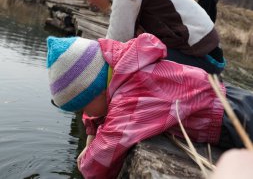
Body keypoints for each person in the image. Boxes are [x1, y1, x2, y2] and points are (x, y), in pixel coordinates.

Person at [47, 33, 253, 179]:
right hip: (232, 100)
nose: (83, 113)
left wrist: (84, 162)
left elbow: (102, 158)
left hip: (232, 120)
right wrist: (91, 133)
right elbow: (95, 107)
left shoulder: (130, 98)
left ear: (96, 91)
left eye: (82, 107)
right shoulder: (123, 66)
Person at [69, 0, 225, 74]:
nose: (88, 2)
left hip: (204, 58)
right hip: (193, 53)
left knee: (130, 60)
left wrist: (83, 67)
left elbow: (116, 42)